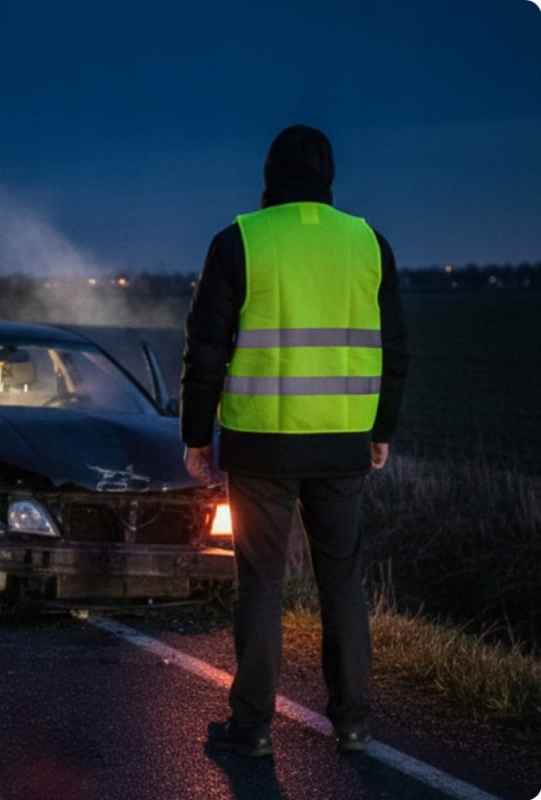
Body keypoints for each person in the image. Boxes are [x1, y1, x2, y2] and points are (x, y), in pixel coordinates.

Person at [180, 124, 409, 757]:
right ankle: (354, 724)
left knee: (261, 582)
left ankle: (251, 730)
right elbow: (395, 350)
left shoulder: (239, 242)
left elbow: (205, 350)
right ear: (329, 176)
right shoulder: (369, 244)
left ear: (269, 176)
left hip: (260, 445)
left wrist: (197, 435)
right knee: (343, 580)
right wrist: (380, 430)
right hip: (342, 444)